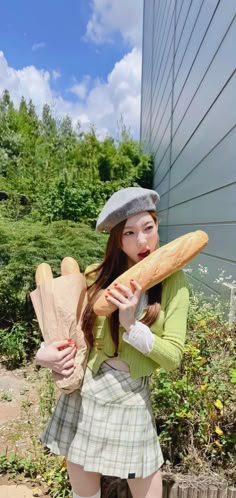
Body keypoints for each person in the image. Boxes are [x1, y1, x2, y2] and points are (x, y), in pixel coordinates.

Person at [35, 187, 189, 498]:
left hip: (132, 397)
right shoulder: (95, 276)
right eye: (129, 233)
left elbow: (173, 357)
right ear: (117, 239)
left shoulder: (174, 282)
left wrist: (131, 325)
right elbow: (65, 329)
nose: (141, 241)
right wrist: (44, 354)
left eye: (148, 228)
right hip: (87, 394)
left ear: (158, 225)